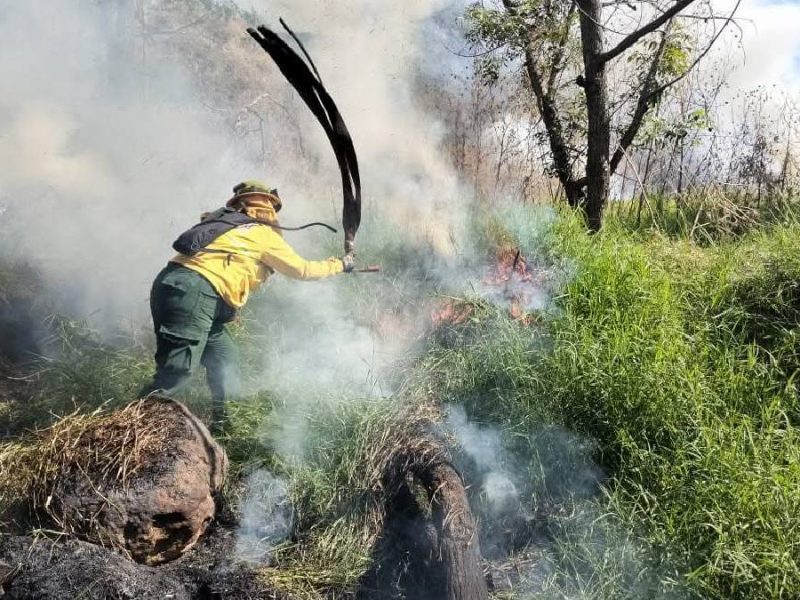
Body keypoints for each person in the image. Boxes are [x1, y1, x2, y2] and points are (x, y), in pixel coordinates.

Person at [139, 179, 354, 431]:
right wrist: (341, 264)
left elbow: (227, 268)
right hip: (195, 291)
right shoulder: (259, 231)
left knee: (224, 358)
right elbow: (302, 270)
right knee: (178, 372)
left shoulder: (223, 226)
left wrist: (223, 306)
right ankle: (131, 432)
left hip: (181, 287)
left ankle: (223, 428)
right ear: (267, 205)